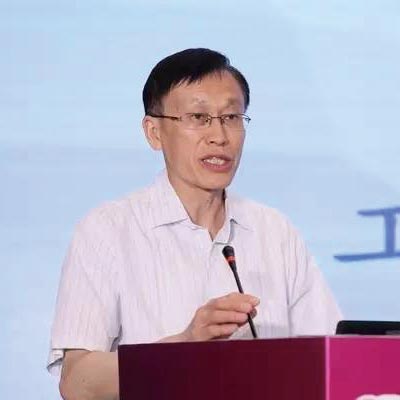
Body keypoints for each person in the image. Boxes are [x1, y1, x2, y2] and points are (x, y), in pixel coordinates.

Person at [48, 48, 342, 400]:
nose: (219, 135)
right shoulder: (108, 231)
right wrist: (184, 345)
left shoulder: (275, 232)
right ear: (154, 132)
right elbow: (77, 383)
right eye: (199, 117)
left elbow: (332, 364)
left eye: (231, 117)